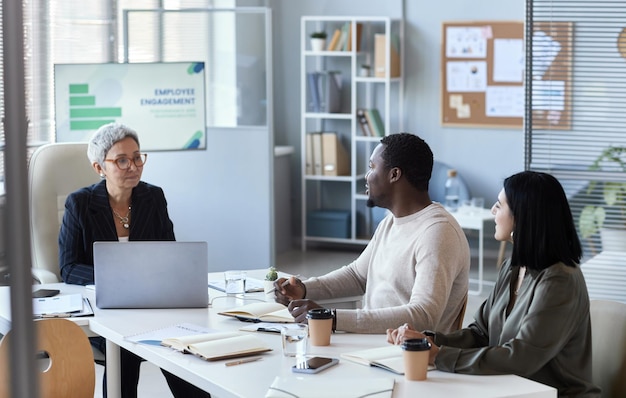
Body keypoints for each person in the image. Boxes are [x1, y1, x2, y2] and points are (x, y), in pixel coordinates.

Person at [386, 171, 601, 397]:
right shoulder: (513, 267)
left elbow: (521, 357)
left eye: (499, 205)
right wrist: (428, 340)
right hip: (510, 389)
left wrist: (438, 355)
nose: (493, 211)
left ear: (522, 216)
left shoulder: (560, 280)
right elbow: (481, 333)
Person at [59, 123, 210, 398]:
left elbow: (171, 255)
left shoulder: (153, 197)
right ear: (99, 168)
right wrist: (119, 280)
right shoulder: (79, 203)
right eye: (122, 160)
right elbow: (68, 268)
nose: (134, 166)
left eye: (138, 157)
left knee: (185, 350)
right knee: (125, 349)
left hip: (154, 307)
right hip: (109, 310)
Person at [275, 133, 470, 334]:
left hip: (406, 358)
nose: (367, 176)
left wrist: (333, 318)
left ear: (394, 174)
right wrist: (305, 289)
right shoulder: (391, 221)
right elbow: (357, 276)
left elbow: (423, 316)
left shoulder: (437, 233)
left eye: (371, 167)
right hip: (374, 346)